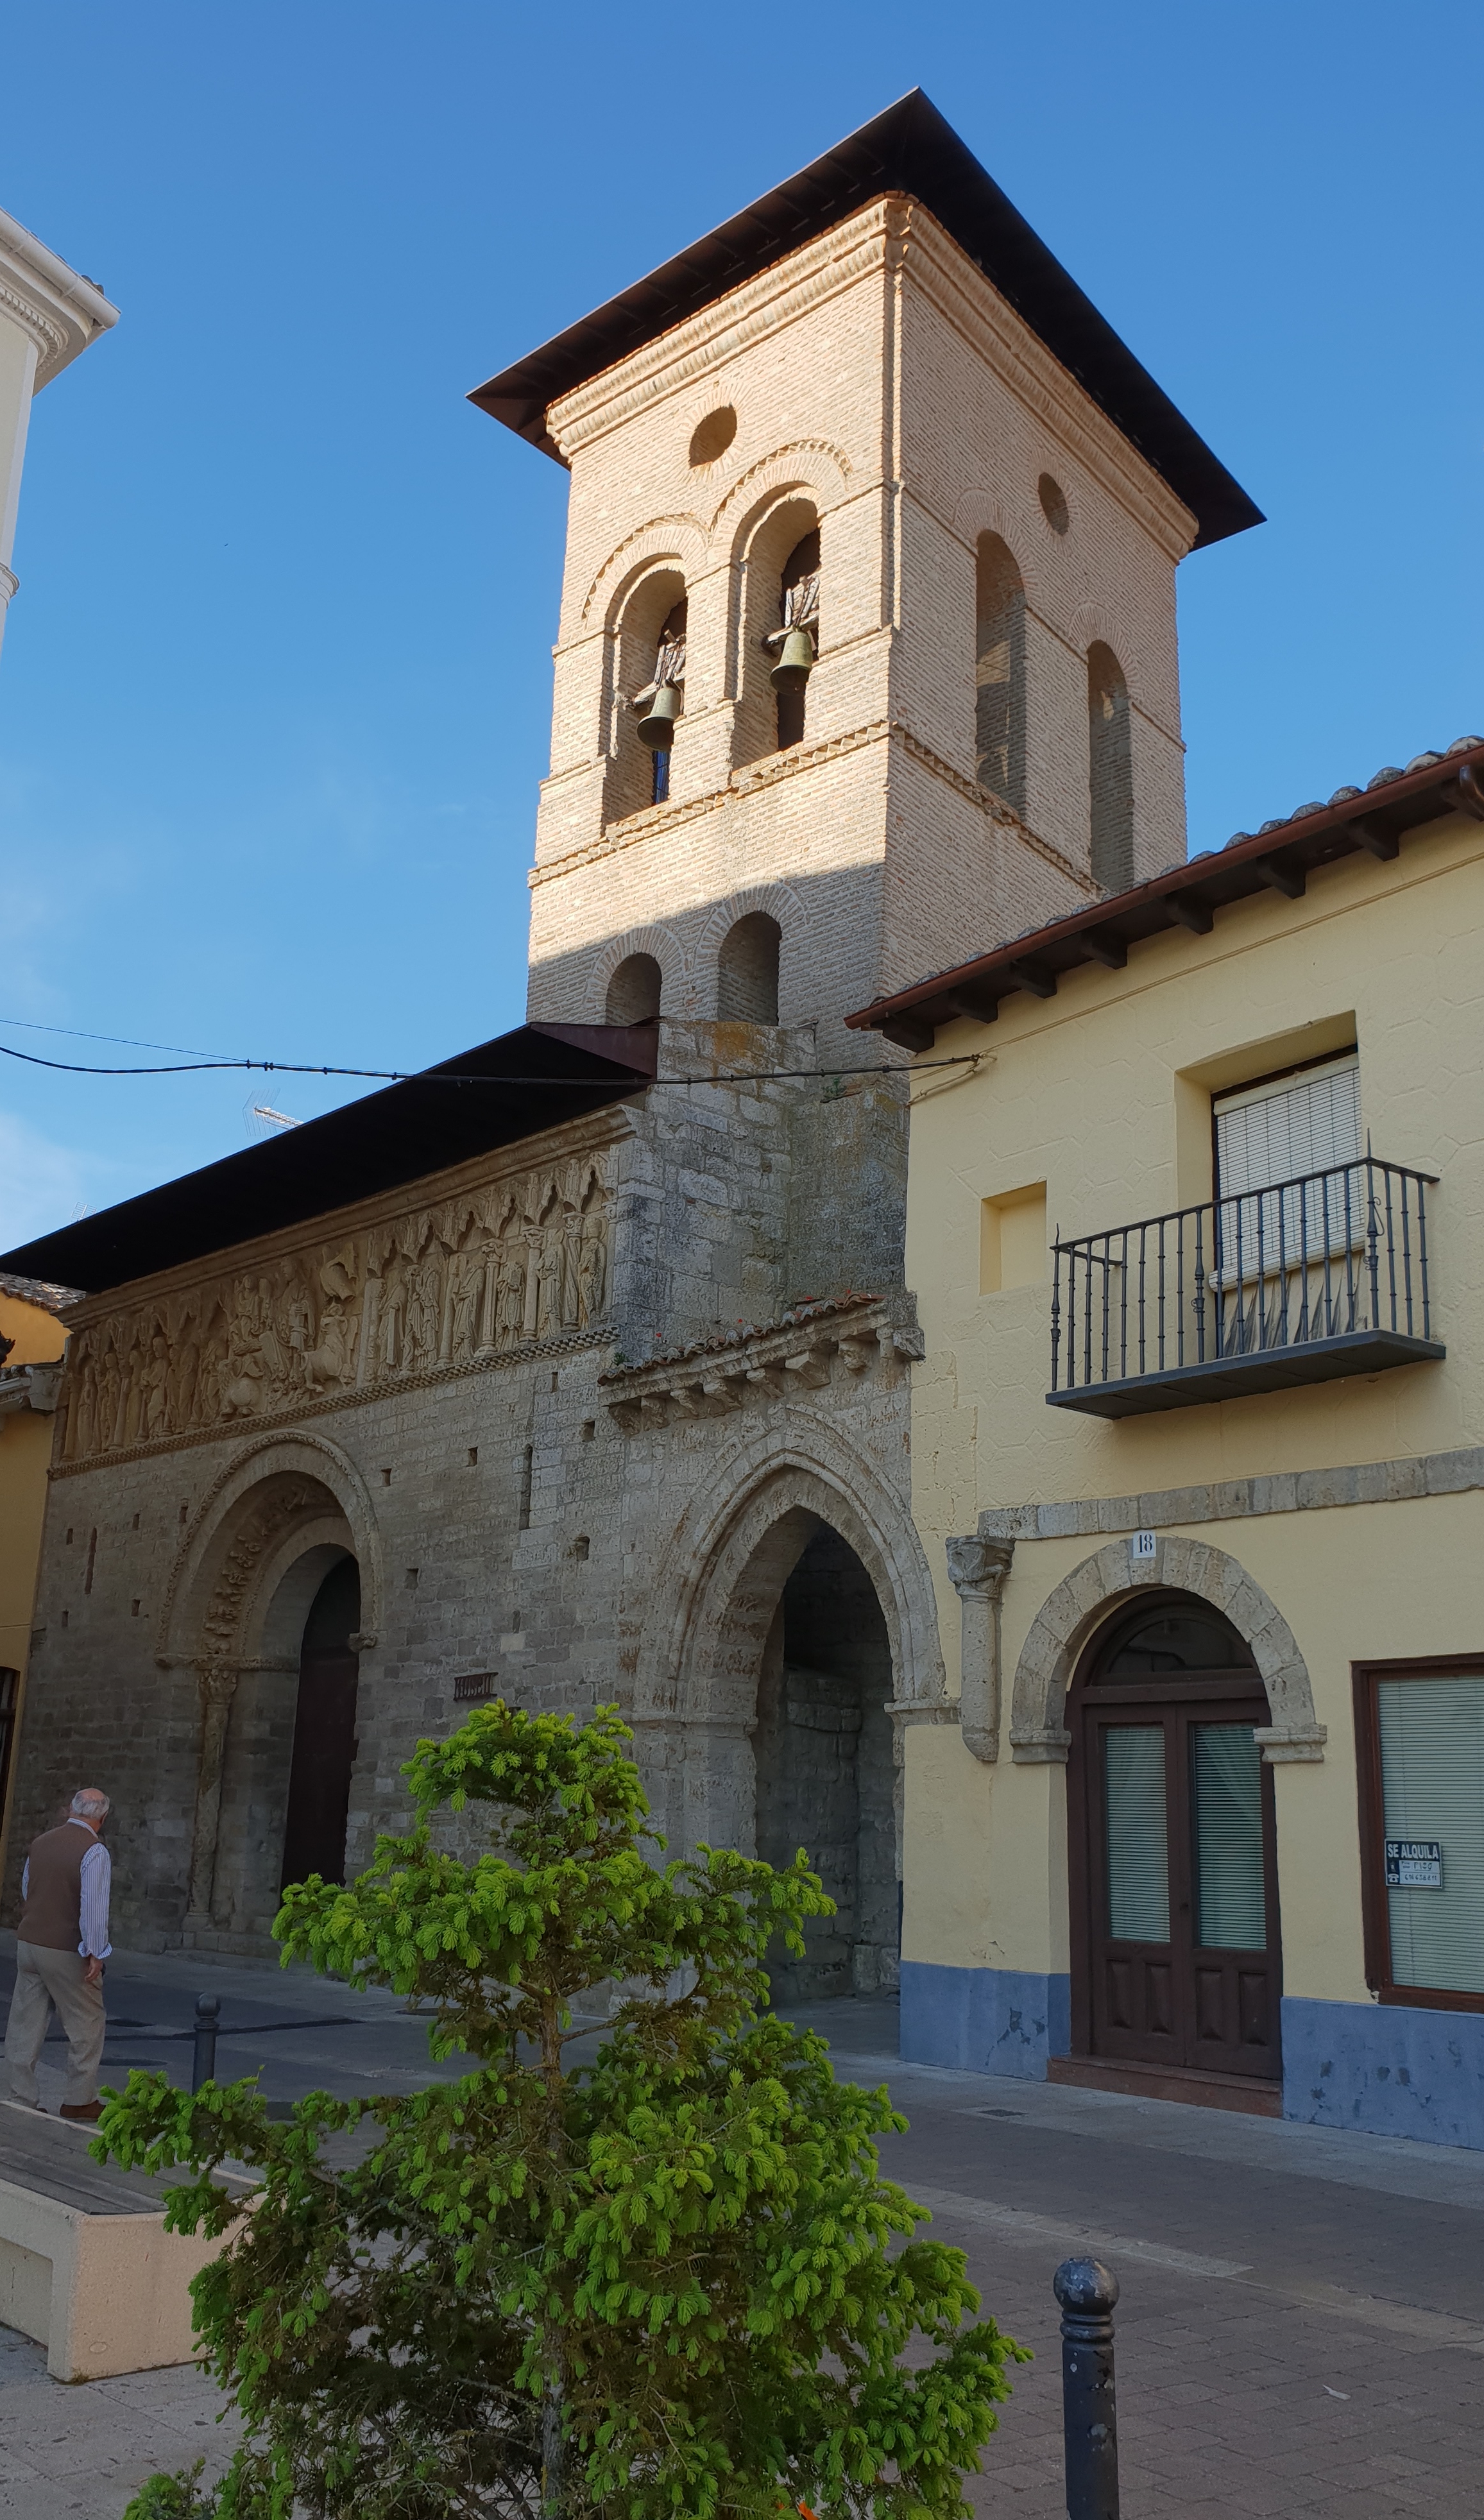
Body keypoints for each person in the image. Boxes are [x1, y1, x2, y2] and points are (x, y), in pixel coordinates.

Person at [3, 1786, 112, 2121]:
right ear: (102, 1818)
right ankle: (79, 2100)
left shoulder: (41, 1842)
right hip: (65, 1947)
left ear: (72, 1810)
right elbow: (93, 1907)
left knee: (25, 2019)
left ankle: (20, 2095)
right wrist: (95, 1952)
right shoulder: (94, 1851)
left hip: (29, 1942)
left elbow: (27, 1887)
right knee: (87, 2022)